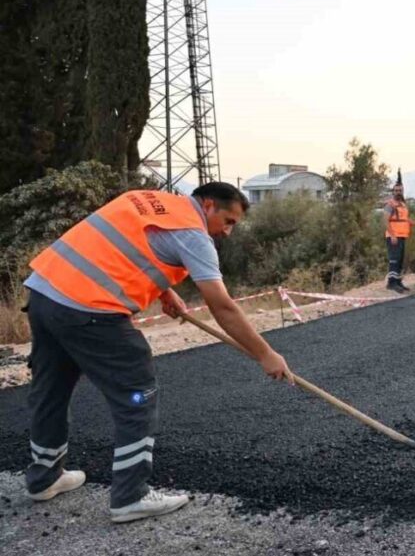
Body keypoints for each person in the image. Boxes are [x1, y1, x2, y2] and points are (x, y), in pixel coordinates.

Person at [22, 183, 293, 523]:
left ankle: (44, 478)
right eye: (228, 221)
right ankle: (131, 496)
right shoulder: (193, 234)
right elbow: (222, 306)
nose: (227, 231)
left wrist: (164, 290)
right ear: (208, 205)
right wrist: (265, 354)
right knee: (138, 392)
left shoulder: (147, 199)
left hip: (44, 294)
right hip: (89, 310)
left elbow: (124, 247)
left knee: (51, 389)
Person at [384, 171, 415, 293]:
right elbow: (385, 220)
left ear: (402, 191)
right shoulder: (390, 204)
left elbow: (405, 220)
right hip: (394, 236)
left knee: (400, 260)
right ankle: (391, 283)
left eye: (400, 190)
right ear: (393, 192)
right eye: (396, 190)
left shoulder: (403, 204)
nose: (398, 192)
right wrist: (392, 235)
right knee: (394, 259)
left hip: (402, 236)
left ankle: (398, 282)